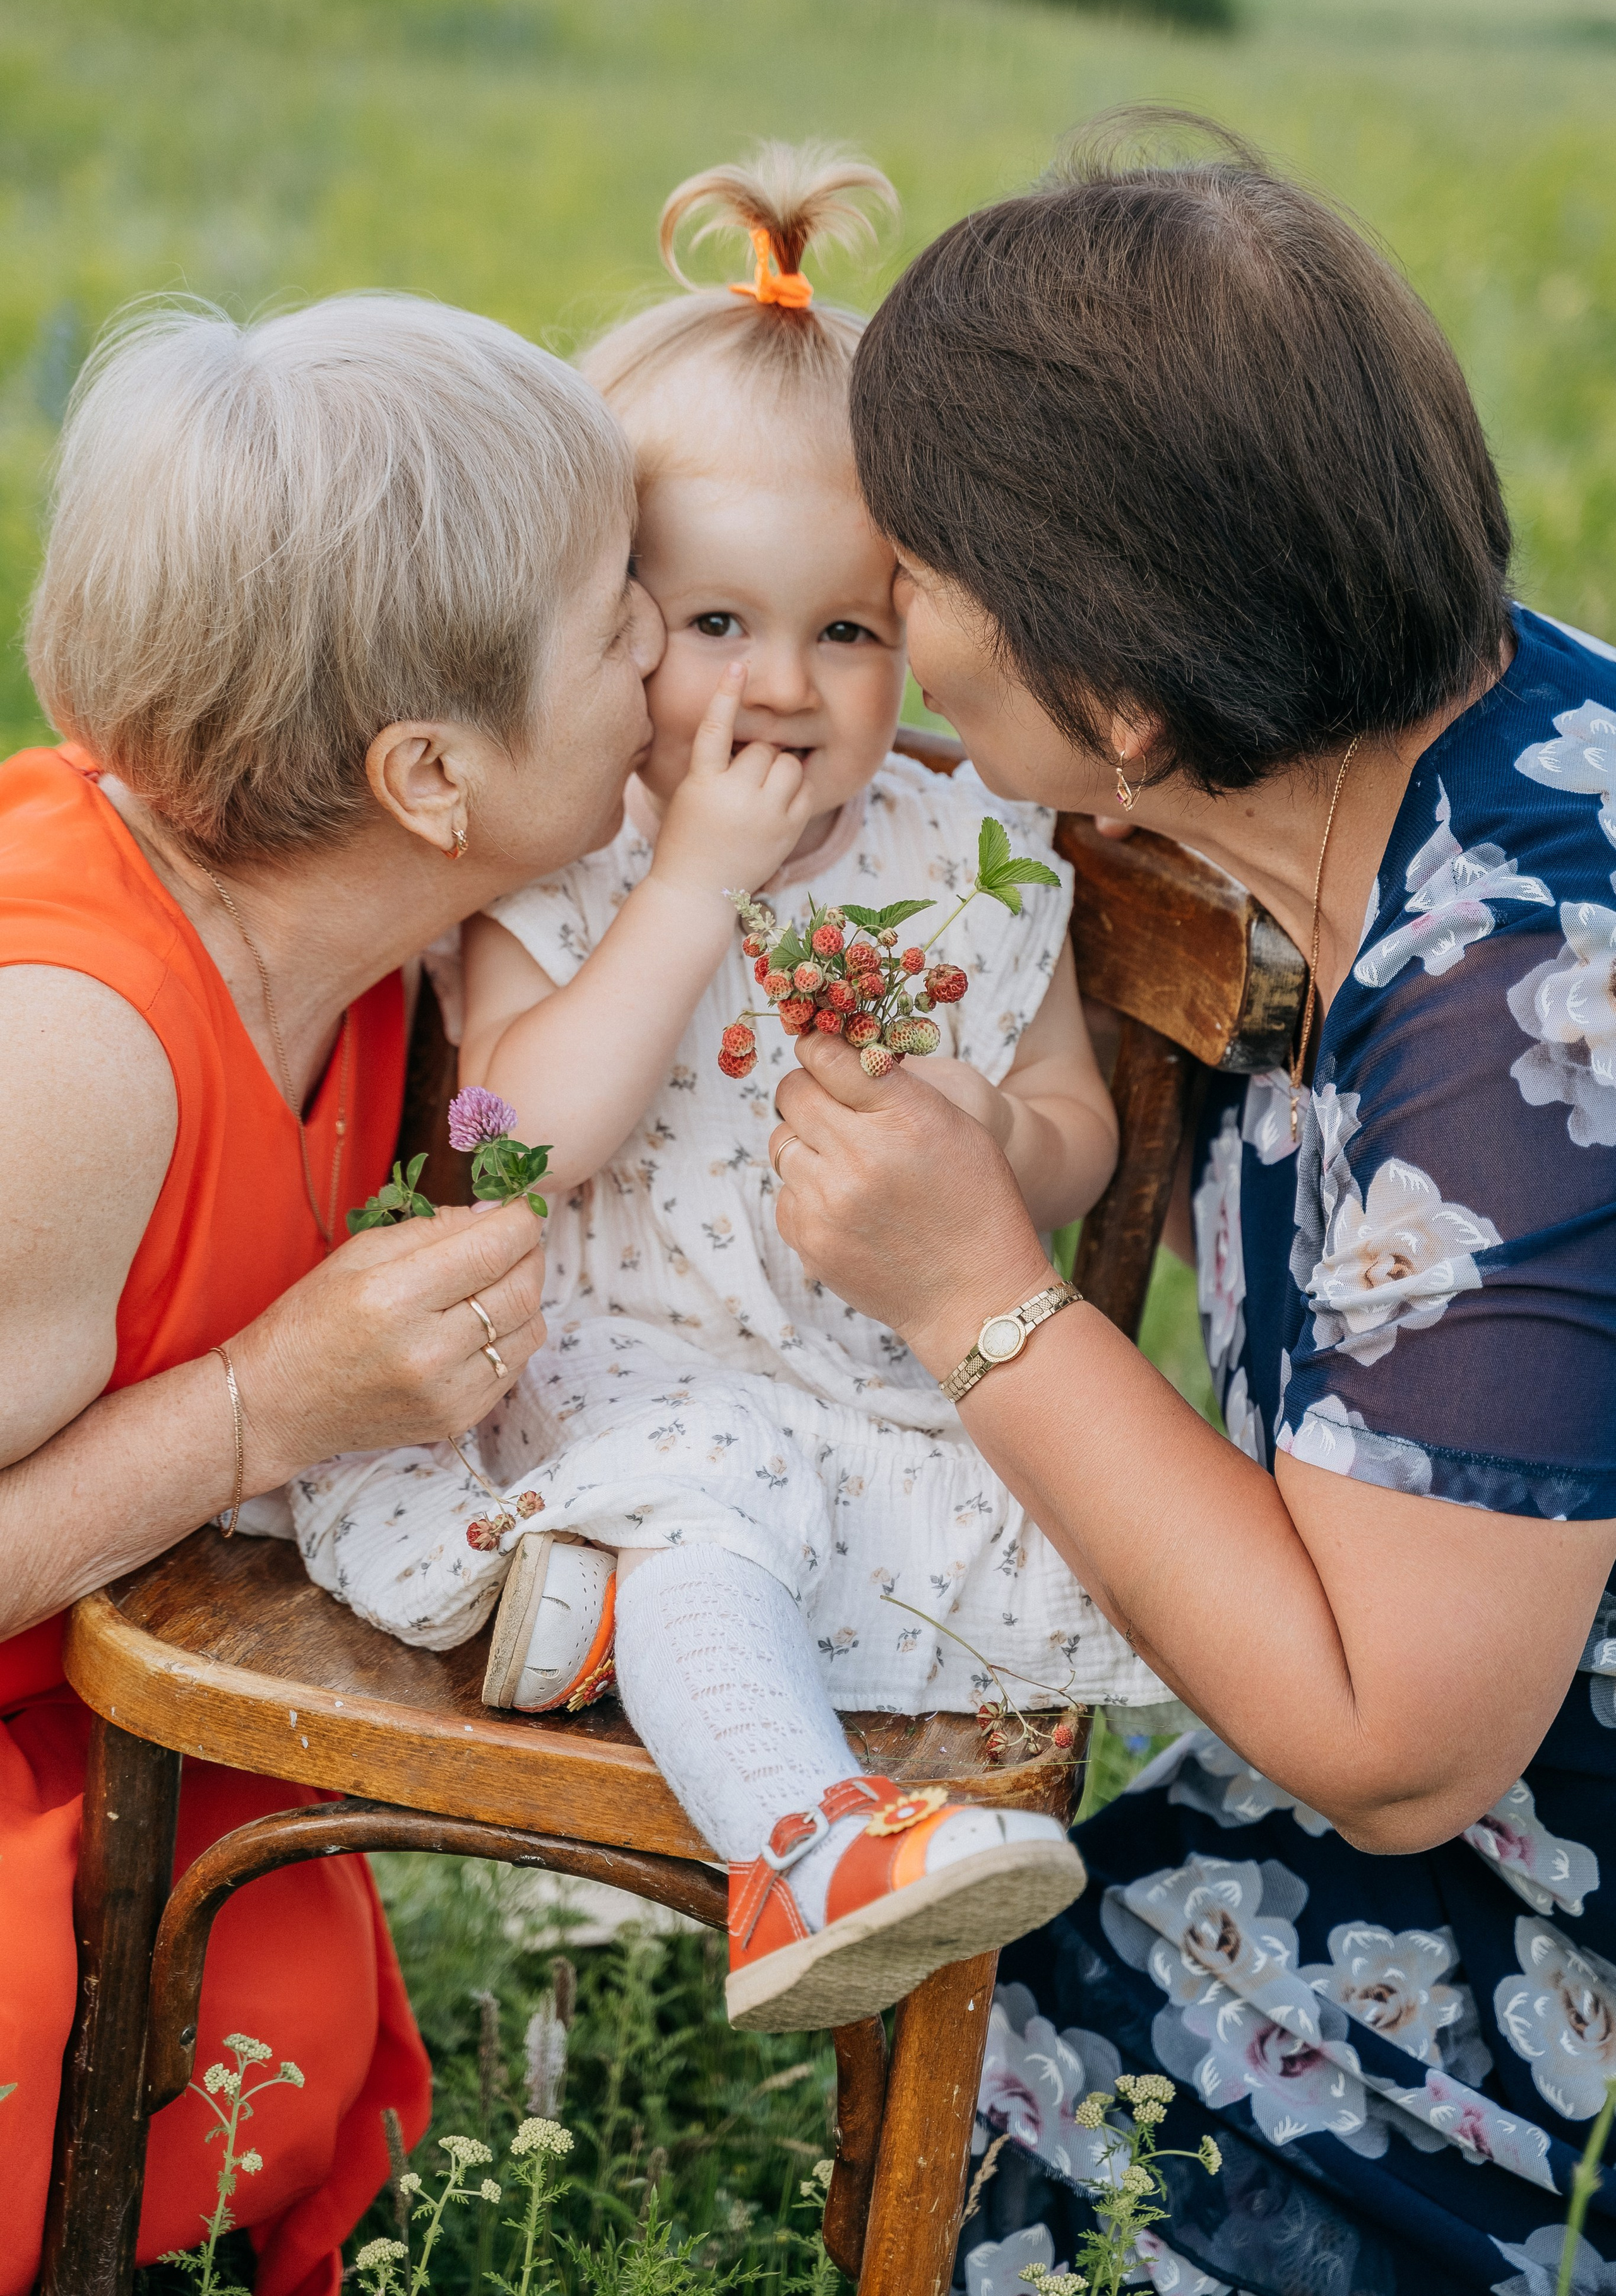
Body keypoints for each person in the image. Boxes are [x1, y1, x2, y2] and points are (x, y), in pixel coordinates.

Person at [764, 112, 1616, 2293]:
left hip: (1531, 1927)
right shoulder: (1436, 718)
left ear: (1129, 698)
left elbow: (1397, 1748)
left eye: (915, 582)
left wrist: (980, 1300)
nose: (886, 608)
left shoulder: (1528, 1020)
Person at [287, 149, 1172, 2038]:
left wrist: (998, 1142)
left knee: (931, 1539)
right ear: (609, 628)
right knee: (708, 1499)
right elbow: (517, 1142)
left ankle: (609, 1633)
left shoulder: (969, 846)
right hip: (604, 1364)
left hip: (864, 1384)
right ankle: (808, 1851)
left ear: (920, 626)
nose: (782, 690)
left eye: (848, 631)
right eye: (712, 627)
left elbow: (1074, 1125)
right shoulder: (577, 845)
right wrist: (688, 890)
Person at [0, 292, 660, 2293]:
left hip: (92, 1677)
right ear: (432, 773)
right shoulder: (76, 1059)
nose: (662, 641)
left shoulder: (390, 934)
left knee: (264, 2044)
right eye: (624, 607)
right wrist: (260, 1413)